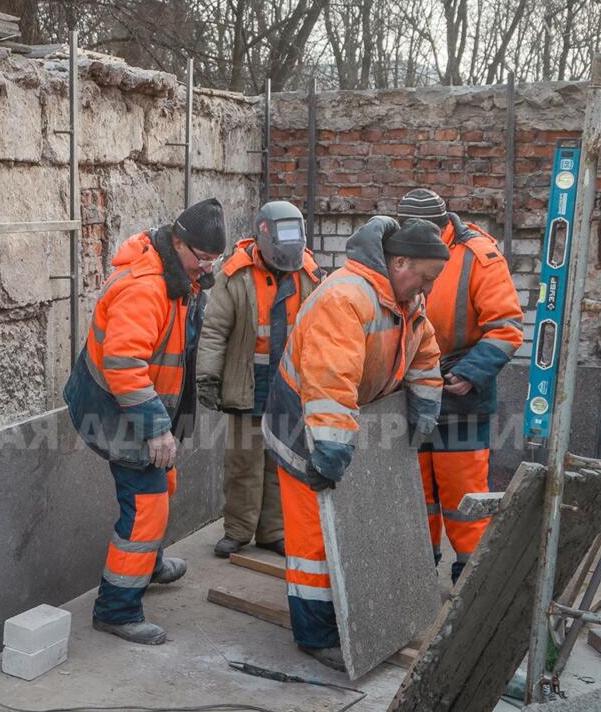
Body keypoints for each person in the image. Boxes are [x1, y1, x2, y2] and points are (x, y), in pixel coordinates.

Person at [261, 216, 448, 671]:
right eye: (423, 277)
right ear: (398, 261)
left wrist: (426, 403)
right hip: (304, 428)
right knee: (313, 541)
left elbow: (424, 353)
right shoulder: (346, 298)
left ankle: (351, 613)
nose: (425, 288)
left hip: (344, 422)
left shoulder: (404, 299)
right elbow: (329, 383)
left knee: (344, 523)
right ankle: (316, 633)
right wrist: (330, 450)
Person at [63, 198, 226, 645]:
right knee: (145, 508)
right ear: (178, 243)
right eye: (202, 259)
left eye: (215, 260)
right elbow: (123, 363)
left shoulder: (179, 275)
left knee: (163, 486)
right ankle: (117, 609)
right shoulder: (146, 288)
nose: (207, 269)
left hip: (136, 405)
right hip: (114, 409)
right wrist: (156, 427)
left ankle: (146, 564)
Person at [397, 189, 523, 582]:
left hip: (461, 394)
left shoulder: (479, 256)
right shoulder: (397, 249)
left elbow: (506, 327)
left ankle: (470, 583)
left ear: (441, 226)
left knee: (463, 496)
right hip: (411, 391)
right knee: (417, 493)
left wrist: (469, 373)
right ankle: (417, 574)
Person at [196, 201, 324, 559]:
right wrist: (207, 376)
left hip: (290, 386)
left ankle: (273, 532)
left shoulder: (309, 274)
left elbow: (321, 330)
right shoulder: (235, 275)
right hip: (246, 383)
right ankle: (238, 530)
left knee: (279, 461)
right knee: (243, 462)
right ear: (262, 234)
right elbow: (215, 330)